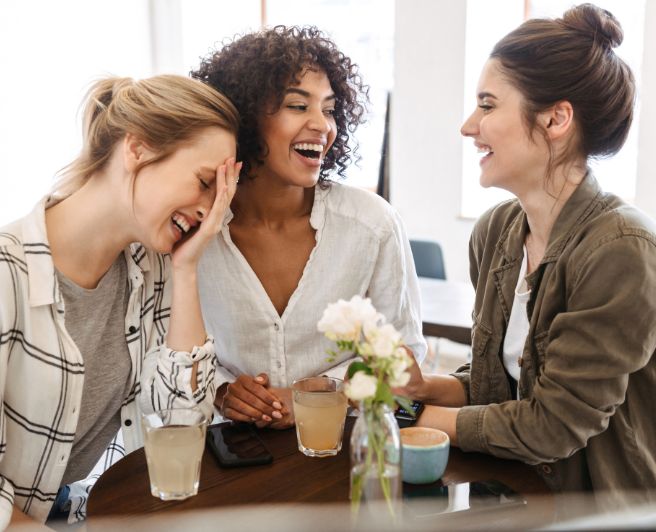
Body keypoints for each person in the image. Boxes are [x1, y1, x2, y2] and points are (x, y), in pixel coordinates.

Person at [401, 3, 656, 511]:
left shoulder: (622, 249)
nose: (468, 125)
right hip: (511, 495)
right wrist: (424, 387)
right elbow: (504, 384)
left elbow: (553, 425)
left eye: (488, 105)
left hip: (599, 510)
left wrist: (413, 418)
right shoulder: (495, 232)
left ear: (556, 118)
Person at [0, 74, 240, 527]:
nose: (212, 211)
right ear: (138, 148)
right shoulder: (8, 273)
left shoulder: (150, 269)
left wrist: (186, 271)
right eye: (205, 182)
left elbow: (179, 428)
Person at [191, 26, 426, 429]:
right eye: (298, 107)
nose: (323, 125)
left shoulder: (372, 225)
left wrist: (320, 392)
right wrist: (222, 390)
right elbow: (162, 343)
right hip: (229, 455)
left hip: (344, 445)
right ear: (245, 117)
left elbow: (404, 357)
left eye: (330, 109)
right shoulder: (194, 229)